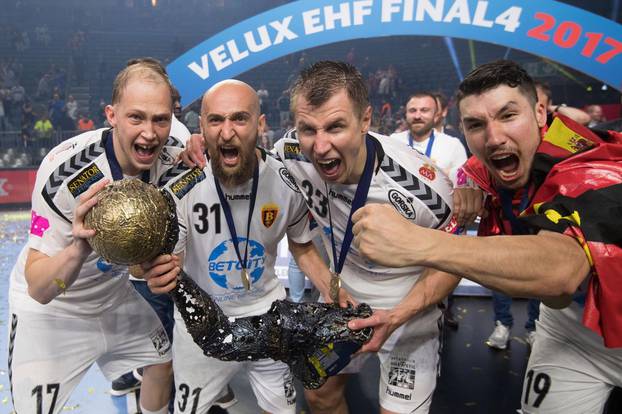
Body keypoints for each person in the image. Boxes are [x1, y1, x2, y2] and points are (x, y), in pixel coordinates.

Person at [351, 60, 622, 414]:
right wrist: (465, 188)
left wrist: (417, 242)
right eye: (476, 124)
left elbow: (562, 273)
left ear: (540, 112)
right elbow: (468, 185)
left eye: (508, 116)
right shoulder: (494, 161)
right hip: (572, 330)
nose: (493, 138)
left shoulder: (592, 162)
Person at [144, 79, 349, 413]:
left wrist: (332, 288)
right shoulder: (181, 188)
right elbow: (171, 262)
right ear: (202, 128)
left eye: (239, 118)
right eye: (216, 120)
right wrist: (154, 270)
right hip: (202, 326)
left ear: (261, 124)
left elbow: (302, 247)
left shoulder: (287, 182)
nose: (227, 133)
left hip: (269, 320)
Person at [273, 61, 460, 414]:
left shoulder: (427, 188)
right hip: (342, 305)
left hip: (408, 316)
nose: (321, 146)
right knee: (319, 396)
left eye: (335, 127)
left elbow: (452, 263)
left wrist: (399, 314)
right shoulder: (289, 155)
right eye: (308, 129)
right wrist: (327, 285)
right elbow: (298, 240)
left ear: (365, 120)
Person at [7, 59, 181, 414]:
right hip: (55, 312)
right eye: (136, 118)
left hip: (114, 300)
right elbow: (40, 289)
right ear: (111, 115)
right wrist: (79, 247)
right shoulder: (63, 173)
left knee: (162, 362)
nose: (150, 132)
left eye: (160, 119)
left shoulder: (175, 145)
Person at [389, 91, 467, 177]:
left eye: (424, 110)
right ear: (406, 114)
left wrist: (441, 176)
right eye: (412, 110)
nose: (417, 116)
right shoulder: (393, 142)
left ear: (435, 115)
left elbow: (464, 183)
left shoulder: (453, 145)